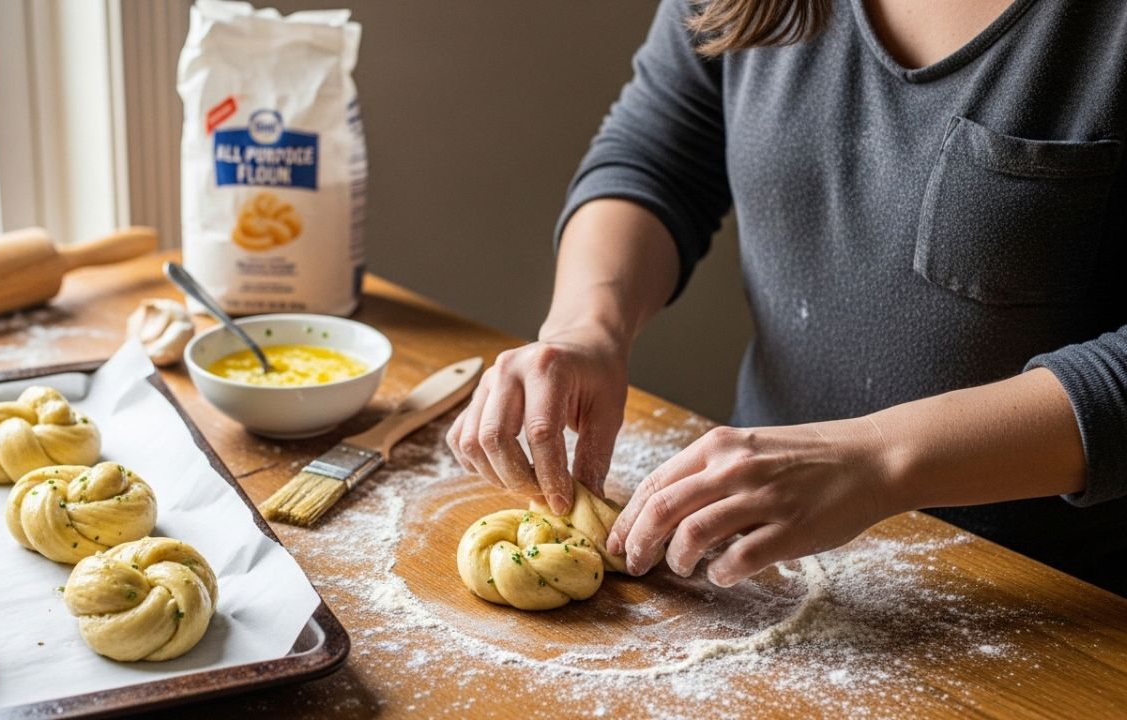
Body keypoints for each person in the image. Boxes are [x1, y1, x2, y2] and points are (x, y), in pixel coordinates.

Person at [445, 0, 1127, 596]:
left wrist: (878, 460)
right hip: (755, 564)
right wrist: (585, 328)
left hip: (1055, 609)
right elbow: (658, 154)